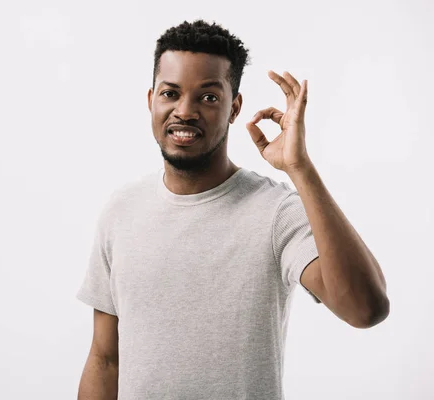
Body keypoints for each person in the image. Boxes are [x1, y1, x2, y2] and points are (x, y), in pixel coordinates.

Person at [76, 19, 389, 400]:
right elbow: (105, 359)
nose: (185, 111)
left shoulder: (275, 212)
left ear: (234, 107)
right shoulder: (121, 211)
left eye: (208, 97)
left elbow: (365, 309)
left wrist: (300, 170)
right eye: (170, 94)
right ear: (150, 100)